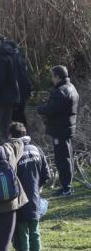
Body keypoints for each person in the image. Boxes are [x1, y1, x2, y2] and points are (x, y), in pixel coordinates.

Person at [8, 122, 50, 251]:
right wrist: (36, 191)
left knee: (22, 234)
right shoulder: (36, 149)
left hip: (19, 200)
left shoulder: (13, 152)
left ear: (11, 136)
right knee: (35, 232)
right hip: (34, 199)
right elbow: (46, 175)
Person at [37, 65, 79, 197]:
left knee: (62, 158)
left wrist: (40, 109)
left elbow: (52, 110)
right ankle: (66, 185)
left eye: (53, 76)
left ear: (58, 77)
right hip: (67, 128)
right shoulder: (71, 87)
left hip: (60, 130)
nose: (52, 79)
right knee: (67, 156)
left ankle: (66, 187)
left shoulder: (60, 91)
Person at [7, 41, 32, 125]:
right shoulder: (19, 58)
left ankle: (19, 135)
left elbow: (15, 79)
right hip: (23, 93)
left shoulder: (12, 60)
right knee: (20, 116)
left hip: (18, 94)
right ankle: (23, 134)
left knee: (17, 118)